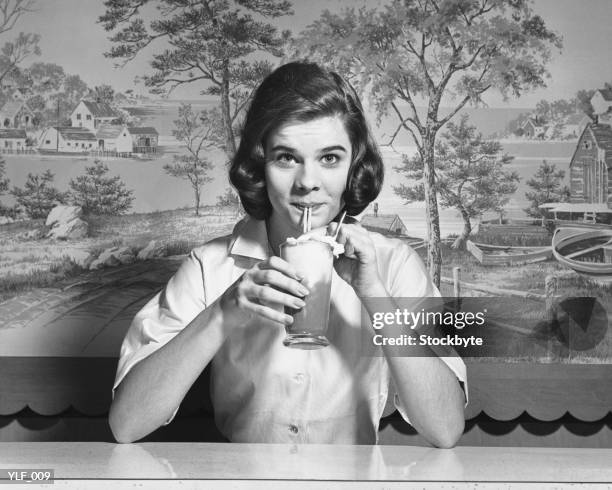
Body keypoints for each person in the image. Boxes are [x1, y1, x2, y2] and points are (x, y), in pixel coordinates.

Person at [109, 61, 467, 447]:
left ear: (354, 166)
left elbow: (445, 428)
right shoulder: (210, 266)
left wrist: (376, 297)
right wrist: (224, 310)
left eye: (329, 158)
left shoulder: (395, 264)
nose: (308, 183)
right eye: (286, 158)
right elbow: (126, 424)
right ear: (260, 165)